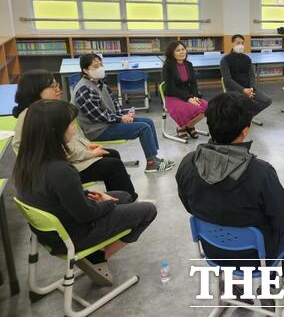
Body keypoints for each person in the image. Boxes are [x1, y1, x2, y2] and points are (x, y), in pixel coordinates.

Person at [13, 99, 157, 287]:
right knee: (148, 210)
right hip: (74, 235)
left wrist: (90, 195)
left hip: (51, 233)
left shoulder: (27, 163)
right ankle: (97, 257)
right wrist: (108, 203)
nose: (74, 126)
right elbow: (85, 214)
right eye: (70, 123)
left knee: (125, 196)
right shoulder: (61, 170)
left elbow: (58, 195)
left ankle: (97, 253)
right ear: (56, 131)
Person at [176, 92, 284, 285]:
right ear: (245, 130)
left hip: (212, 250)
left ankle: (233, 284)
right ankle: (273, 282)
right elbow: (282, 219)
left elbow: (189, 206)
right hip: (256, 256)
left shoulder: (188, 163)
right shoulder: (260, 171)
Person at [12, 70, 138, 200]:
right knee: (113, 166)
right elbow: (58, 151)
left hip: (64, 160)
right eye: (52, 87)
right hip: (56, 170)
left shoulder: (45, 110)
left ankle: (121, 200)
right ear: (35, 90)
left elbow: (73, 137)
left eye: (57, 86)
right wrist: (91, 154)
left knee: (112, 155)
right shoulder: (36, 117)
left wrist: (88, 146)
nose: (58, 90)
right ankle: (128, 202)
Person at [72, 53, 174, 173]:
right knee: (143, 128)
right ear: (85, 70)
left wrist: (123, 115)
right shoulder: (84, 89)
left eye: (101, 65)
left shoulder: (99, 83)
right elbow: (98, 116)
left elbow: (114, 103)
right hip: (97, 130)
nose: (100, 68)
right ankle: (151, 163)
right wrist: (120, 119)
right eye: (95, 66)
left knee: (148, 122)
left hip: (108, 123)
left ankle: (154, 157)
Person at [162, 41, 208, 140]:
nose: (182, 52)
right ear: (172, 53)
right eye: (178, 50)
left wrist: (195, 96)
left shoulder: (189, 64)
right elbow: (170, 87)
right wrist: (188, 99)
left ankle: (190, 126)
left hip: (188, 95)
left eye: (183, 49)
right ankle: (181, 128)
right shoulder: (167, 66)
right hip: (173, 96)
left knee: (207, 107)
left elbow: (193, 83)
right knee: (197, 109)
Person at [220, 34, 272, 117]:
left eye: (242, 43)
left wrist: (251, 88)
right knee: (244, 102)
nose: (240, 45)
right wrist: (243, 90)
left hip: (249, 89)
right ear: (232, 44)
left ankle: (247, 116)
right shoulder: (225, 60)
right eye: (238, 43)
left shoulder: (247, 58)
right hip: (234, 90)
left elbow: (252, 75)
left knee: (267, 101)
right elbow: (227, 80)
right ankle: (243, 117)